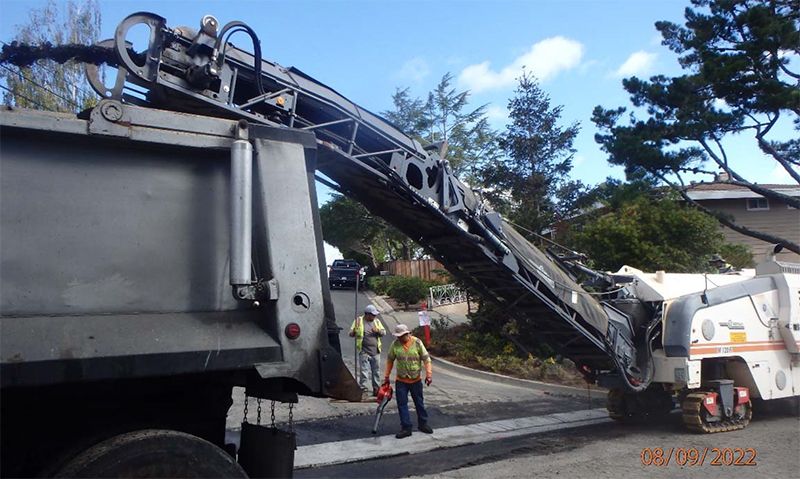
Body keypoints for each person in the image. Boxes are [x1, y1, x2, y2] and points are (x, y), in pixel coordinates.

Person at [383, 323, 433, 438]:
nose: (400, 338)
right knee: (402, 404)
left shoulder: (417, 343)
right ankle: (406, 427)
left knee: (419, 402)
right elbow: (390, 360)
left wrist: (429, 375)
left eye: (401, 336)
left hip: (415, 380)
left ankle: (423, 424)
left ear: (408, 334)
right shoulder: (395, 345)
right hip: (401, 380)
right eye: (398, 336)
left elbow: (426, 359)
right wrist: (386, 376)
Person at [349, 304, 386, 397]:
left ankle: (376, 389)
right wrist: (354, 332)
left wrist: (377, 331)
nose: (374, 316)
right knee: (364, 372)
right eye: (372, 315)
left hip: (375, 351)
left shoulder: (377, 322)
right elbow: (351, 333)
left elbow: (383, 332)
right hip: (364, 351)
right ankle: (364, 390)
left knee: (376, 371)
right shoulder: (358, 321)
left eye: (375, 315)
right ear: (367, 314)